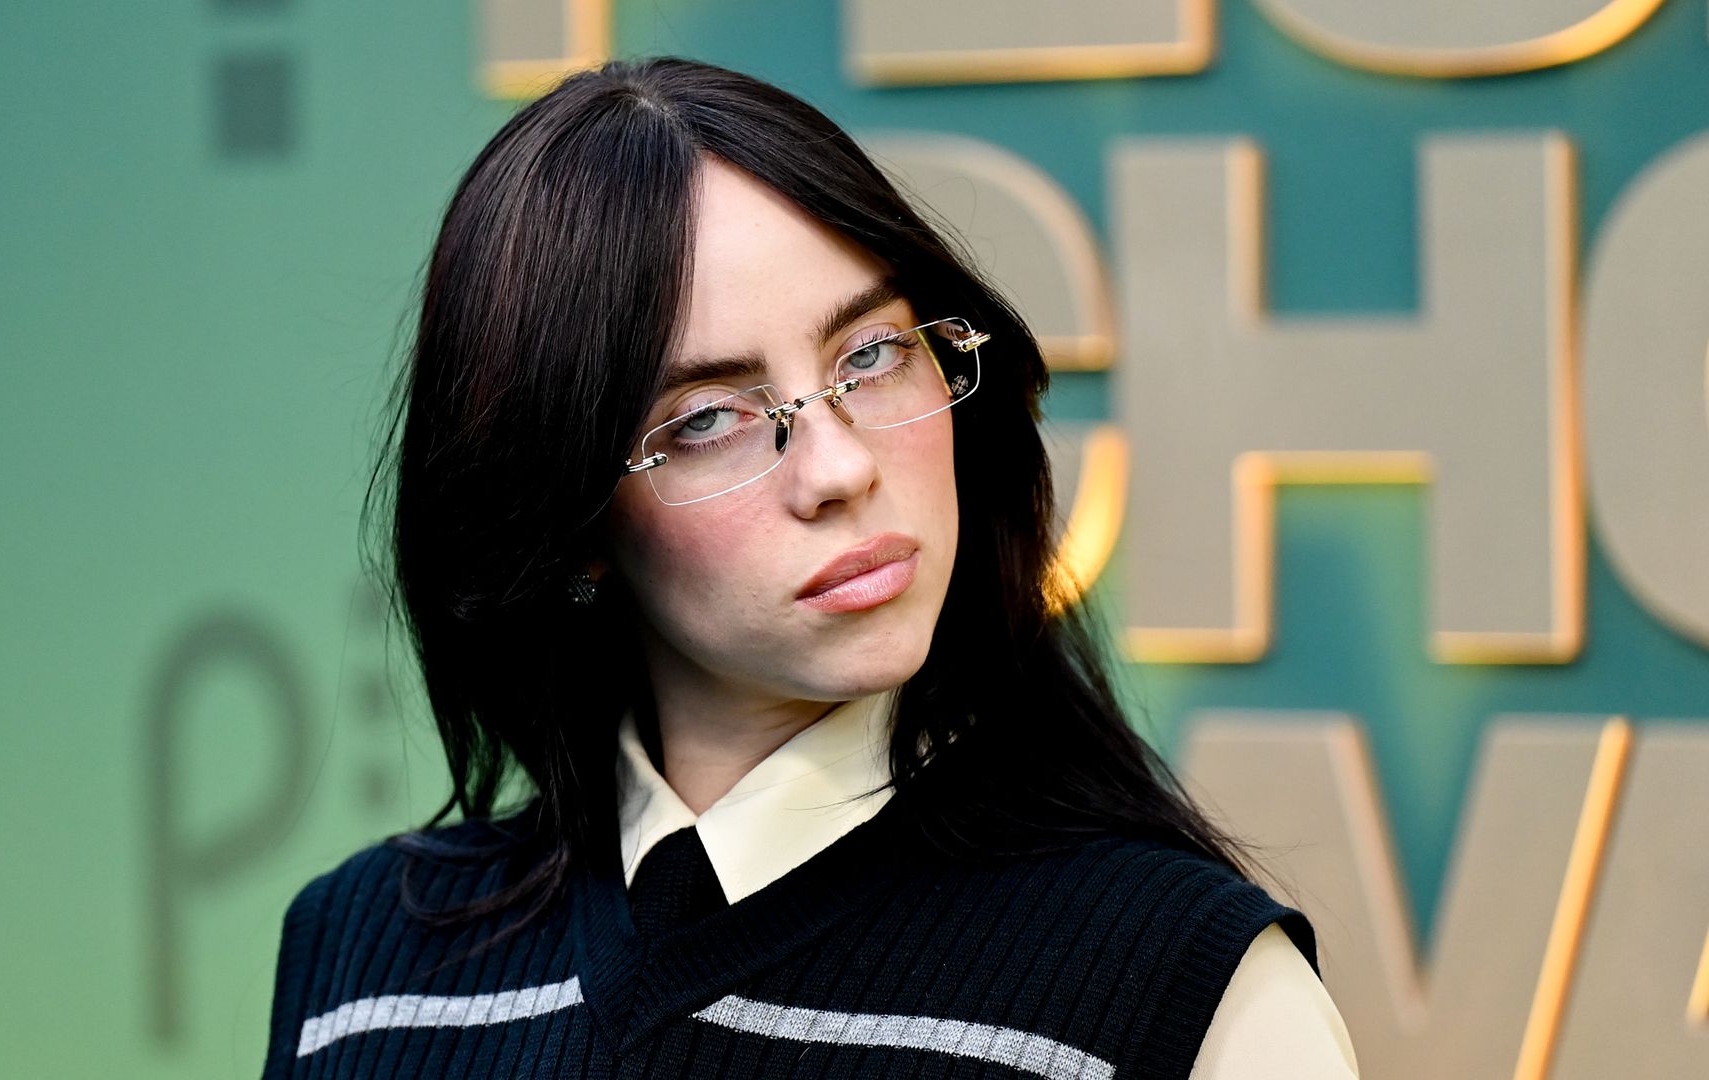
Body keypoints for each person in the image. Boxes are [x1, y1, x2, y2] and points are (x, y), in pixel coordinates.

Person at [262, 55, 1359, 1079]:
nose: (837, 467)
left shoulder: (1188, 985)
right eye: (707, 421)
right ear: (573, 518)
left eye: (871, 355)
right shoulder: (361, 963)